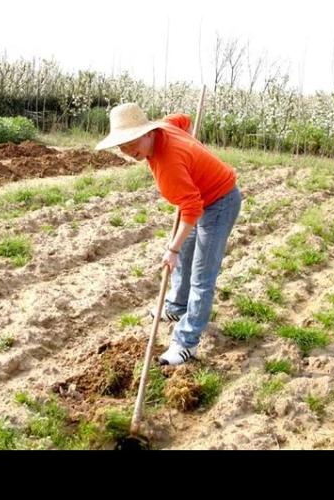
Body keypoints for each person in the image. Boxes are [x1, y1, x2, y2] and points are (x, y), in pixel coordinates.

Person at [96, 103, 242, 366]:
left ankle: (187, 342)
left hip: (220, 201)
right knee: (186, 254)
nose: (128, 152)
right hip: (200, 197)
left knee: (201, 275)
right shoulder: (165, 126)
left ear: (148, 133)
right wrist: (192, 151)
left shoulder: (168, 164)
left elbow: (191, 207)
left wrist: (171, 249)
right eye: (121, 145)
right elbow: (183, 120)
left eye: (131, 142)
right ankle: (175, 307)